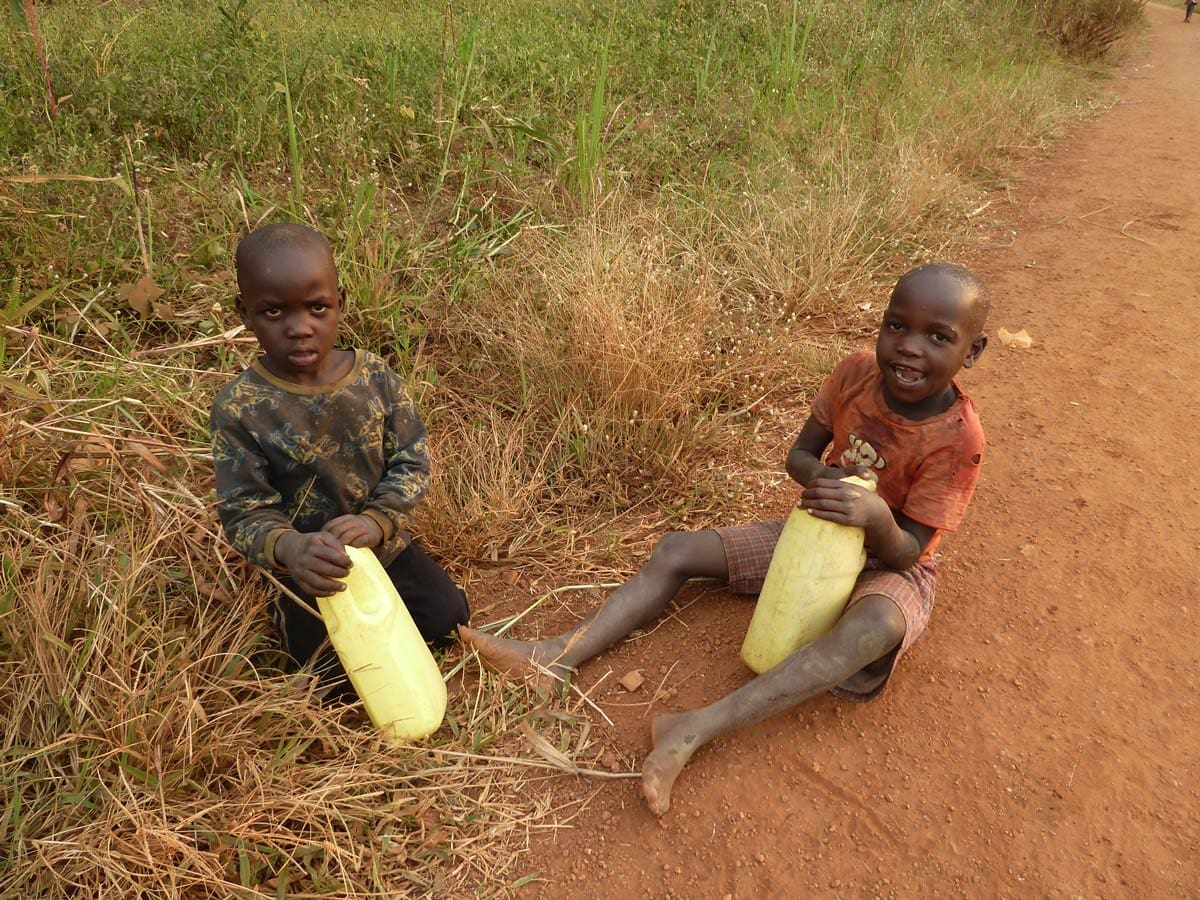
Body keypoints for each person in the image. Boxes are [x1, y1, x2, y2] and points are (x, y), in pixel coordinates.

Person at [460, 263, 989, 815]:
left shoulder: (959, 438)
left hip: (891, 562)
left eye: (938, 337)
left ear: (971, 352)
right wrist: (825, 481)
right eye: (896, 326)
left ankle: (693, 728)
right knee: (677, 550)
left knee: (875, 627)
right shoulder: (855, 373)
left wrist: (877, 519)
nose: (908, 347)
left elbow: (910, 547)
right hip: (815, 533)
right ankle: (555, 657)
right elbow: (800, 456)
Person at [211, 222, 469, 699]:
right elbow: (243, 511)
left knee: (450, 621)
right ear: (244, 314)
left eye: (317, 307)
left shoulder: (375, 378)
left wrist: (377, 521)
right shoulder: (240, 407)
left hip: (383, 553)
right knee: (329, 686)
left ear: (341, 303)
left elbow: (412, 460)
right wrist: (289, 548)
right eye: (273, 311)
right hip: (309, 575)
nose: (299, 327)